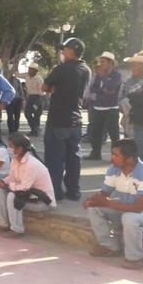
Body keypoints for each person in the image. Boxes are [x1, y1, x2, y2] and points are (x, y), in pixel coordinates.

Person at [84, 138, 143, 270]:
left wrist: (107, 203)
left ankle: (135, 258)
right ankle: (109, 246)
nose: (112, 158)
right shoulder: (114, 170)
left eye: (116, 155)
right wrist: (92, 200)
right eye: (112, 154)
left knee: (129, 217)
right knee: (94, 208)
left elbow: (137, 208)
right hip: (128, 212)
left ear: (129, 159)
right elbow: (103, 194)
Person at [42, 37, 91, 201]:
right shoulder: (86, 69)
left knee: (55, 159)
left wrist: (56, 87)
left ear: (71, 51)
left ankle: (55, 191)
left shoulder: (61, 68)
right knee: (73, 158)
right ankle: (73, 190)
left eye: (65, 49)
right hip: (75, 120)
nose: (62, 52)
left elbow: (45, 87)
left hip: (58, 120)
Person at [0, 133, 56, 237]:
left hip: (42, 200)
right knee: (1, 191)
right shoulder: (15, 161)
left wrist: (6, 186)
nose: (9, 149)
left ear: (19, 149)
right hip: (29, 195)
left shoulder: (31, 164)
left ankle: (17, 229)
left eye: (10, 146)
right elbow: (12, 177)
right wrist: (1, 183)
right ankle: (2, 223)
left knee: (13, 196)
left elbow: (25, 187)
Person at [86, 52, 122, 160]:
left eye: (103, 62)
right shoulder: (98, 75)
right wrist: (104, 90)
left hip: (111, 108)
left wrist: (104, 79)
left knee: (113, 134)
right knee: (96, 132)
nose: (100, 64)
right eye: (100, 62)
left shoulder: (116, 75)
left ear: (110, 63)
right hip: (98, 107)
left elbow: (111, 88)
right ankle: (95, 153)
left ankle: (116, 156)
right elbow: (93, 89)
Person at [120, 55, 143, 138]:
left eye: (135, 65)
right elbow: (121, 96)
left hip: (140, 121)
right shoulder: (128, 80)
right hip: (128, 119)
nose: (132, 67)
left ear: (142, 66)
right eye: (132, 65)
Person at [22, 63, 44, 137]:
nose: (29, 70)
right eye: (29, 69)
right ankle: (34, 129)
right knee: (27, 113)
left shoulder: (39, 79)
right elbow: (17, 74)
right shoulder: (26, 76)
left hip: (38, 98)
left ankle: (35, 131)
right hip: (30, 97)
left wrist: (38, 103)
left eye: (31, 69)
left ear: (35, 71)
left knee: (36, 115)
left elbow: (42, 92)